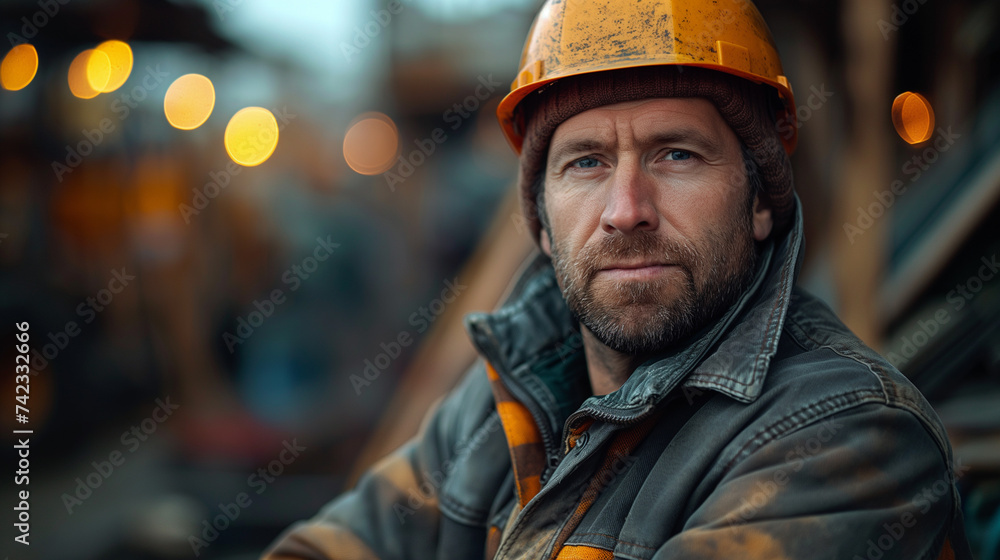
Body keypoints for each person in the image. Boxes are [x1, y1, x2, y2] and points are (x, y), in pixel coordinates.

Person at [262, 0, 973, 557]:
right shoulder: (496, 407)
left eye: (677, 156)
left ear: (761, 201)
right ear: (540, 221)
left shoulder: (848, 435)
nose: (626, 211)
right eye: (586, 163)